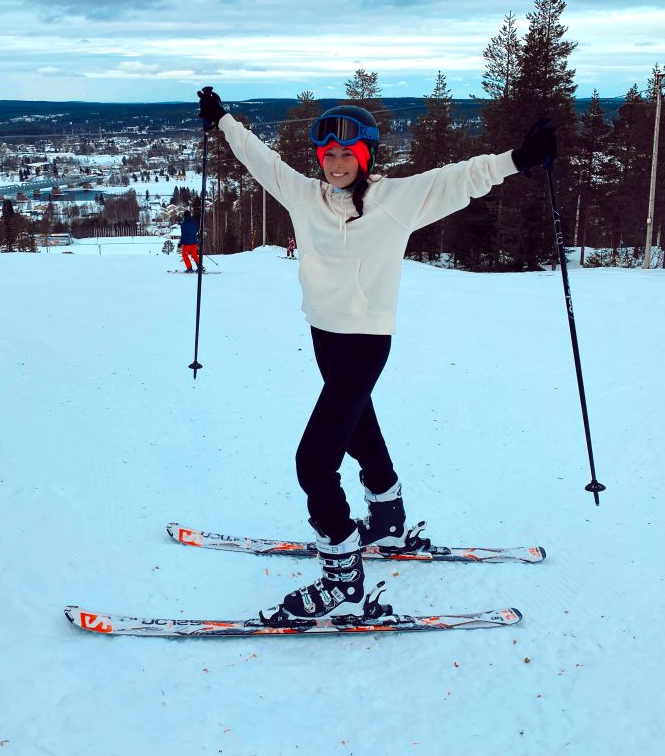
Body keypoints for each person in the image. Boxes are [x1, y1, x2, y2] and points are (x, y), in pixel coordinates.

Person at [197, 86, 556, 625]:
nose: (337, 164)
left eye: (347, 154)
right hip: (323, 333)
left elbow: (459, 179)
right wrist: (223, 120)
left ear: (365, 156)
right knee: (359, 423)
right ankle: (386, 514)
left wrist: (518, 160)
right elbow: (260, 159)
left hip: (366, 341)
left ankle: (343, 577)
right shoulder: (304, 195)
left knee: (315, 462)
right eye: (329, 155)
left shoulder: (396, 200)